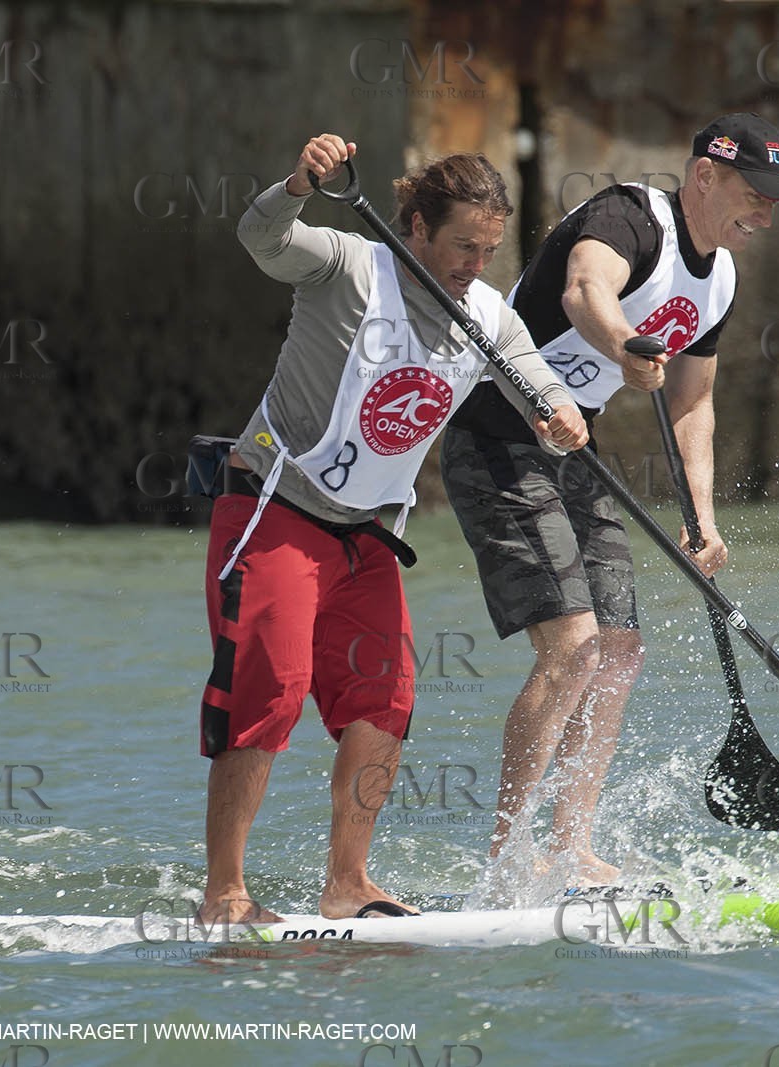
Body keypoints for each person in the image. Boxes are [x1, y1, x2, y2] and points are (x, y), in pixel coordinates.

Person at [198, 133, 589, 924]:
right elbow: (262, 238)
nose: (474, 264)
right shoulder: (345, 265)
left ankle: (348, 882)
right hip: (273, 507)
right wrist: (298, 182)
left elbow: (537, 381)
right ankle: (225, 893)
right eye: (461, 247)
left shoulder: (487, 316)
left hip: (363, 536)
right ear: (416, 229)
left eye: (487, 250)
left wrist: (560, 414)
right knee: (267, 691)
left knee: (386, 700)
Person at [441, 113, 779, 886]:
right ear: (704, 175)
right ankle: (508, 858)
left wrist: (702, 519)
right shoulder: (630, 217)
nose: (766, 214)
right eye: (756, 194)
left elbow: (693, 403)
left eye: (776, 203)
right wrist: (625, 346)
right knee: (571, 646)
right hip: (498, 432)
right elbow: (584, 292)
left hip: (576, 449)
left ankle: (572, 847)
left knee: (618, 651)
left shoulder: (723, 280)